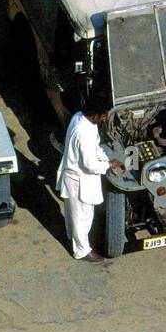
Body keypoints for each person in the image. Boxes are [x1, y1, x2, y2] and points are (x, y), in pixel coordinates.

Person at [56, 106, 120, 262]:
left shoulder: (79, 117)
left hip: (73, 176)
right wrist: (109, 165)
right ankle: (82, 251)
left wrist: (105, 157)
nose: (104, 118)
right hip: (80, 180)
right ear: (94, 114)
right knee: (82, 217)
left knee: (73, 215)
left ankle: (73, 238)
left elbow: (95, 147)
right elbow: (91, 165)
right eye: (103, 115)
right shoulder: (83, 133)